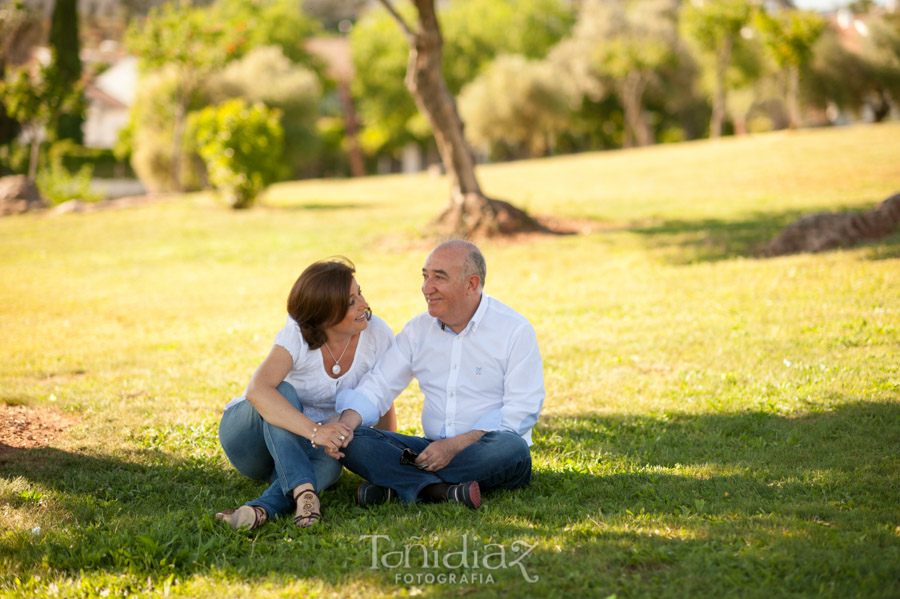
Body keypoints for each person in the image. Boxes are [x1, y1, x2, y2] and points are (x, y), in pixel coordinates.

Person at [330, 240, 544, 509]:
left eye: (439, 278)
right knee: (356, 440)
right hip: (431, 449)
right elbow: (379, 385)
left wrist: (456, 445)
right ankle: (439, 490)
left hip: (487, 447)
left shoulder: (514, 330)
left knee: (512, 449)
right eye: (425, 276)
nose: (426, 288)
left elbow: (521, 410)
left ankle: (401, 487)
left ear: (471, 284)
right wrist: (344, 428)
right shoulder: (417, 331)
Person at [216, 257, 396, 529]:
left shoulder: (377, 335)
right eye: (351, 302)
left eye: (360, 293)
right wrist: (315, 431)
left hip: (303, 450)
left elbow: (382, 397)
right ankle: (302, 488)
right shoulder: (297, 334)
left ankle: (263, 509)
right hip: (250, 439)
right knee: (281, 390)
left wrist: (385, 461)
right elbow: (258, 390)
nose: (364, 305)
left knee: (332, 466)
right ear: (325, 313)